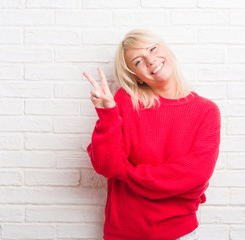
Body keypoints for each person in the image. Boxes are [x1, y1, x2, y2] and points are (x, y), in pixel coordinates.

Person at [83, 29, 221, 240]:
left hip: (180, 233)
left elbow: (196, 175)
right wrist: (108, 114)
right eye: (138, 61)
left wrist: (126, 173)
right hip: (124, 233)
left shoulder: (206, 110)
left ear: (166, 49)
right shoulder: (125, 101)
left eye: (153, 49)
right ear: (136, 77)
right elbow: (106, 166)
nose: (150, 60)